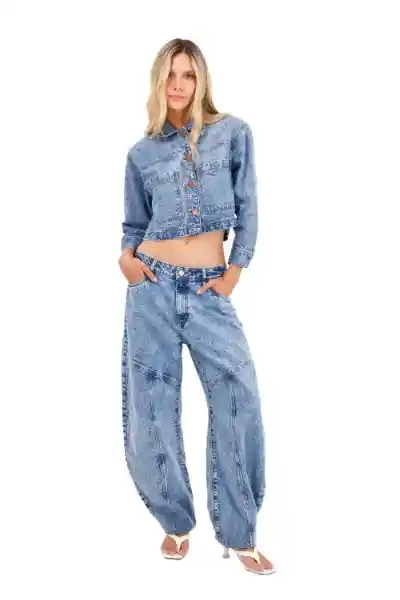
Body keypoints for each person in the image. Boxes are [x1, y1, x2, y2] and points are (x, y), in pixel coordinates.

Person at [119, 38, 276, 576]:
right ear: (158, 82)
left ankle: (240, 532)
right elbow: (134, 224)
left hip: (210, 289)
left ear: (201, 79)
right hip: (151, 288)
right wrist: (127, 260)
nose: (179, 84)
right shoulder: (141, 154)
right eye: (170, 75)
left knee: (239, 397)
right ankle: (175, 522)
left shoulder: (233, 133)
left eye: (187, 74)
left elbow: (249, 207)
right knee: (151, 407)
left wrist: (236, 270)